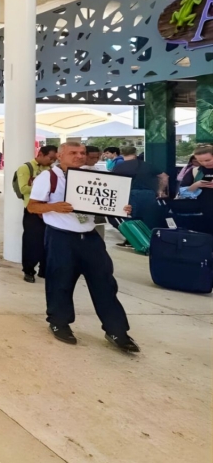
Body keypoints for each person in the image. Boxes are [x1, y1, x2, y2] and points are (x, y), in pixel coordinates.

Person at [27, 142, 137, 352]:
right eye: (73, 153)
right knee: (60, 282)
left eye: (82, 153)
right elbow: (33, 206)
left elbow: (105, 202)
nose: (79, 156)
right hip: (61, 237)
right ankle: (59, 323)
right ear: (60, 155)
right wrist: (53, 207)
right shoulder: (48, 178)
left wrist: (120, 207)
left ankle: (117, 331)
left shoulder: (92, 175)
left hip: (89, 236)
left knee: (105, 283)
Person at [16, 145, 58, 283]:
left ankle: (44, 270)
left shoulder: (51, 170)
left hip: (48, 210)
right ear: (40, 154)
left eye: (54, 159)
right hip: (32, 210)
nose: (52, 161)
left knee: (48, 242)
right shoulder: (26, 168)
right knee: (32, 242)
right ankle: (28, 270)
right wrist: (42, 185)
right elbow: (23, 189)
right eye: (50, 158)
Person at [112, 145, 167, 231]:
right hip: (148, 195)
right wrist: (160, 191)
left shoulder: (117, 167)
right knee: (150, 221)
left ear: (122, 154)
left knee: (131, 221)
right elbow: (164, 177)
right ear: (135, 153)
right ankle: (151, 240)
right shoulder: (147, 165)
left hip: (128, 196)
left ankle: (133, 241)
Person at [179, 145, 213, 234]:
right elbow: (184, 192)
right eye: (200, 161)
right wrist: (197, 184)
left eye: (208, 160)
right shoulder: (196, 171)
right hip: (204, 212)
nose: (205, 163)